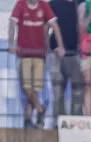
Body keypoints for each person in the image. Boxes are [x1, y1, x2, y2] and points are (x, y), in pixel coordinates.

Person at [9, 0, 64, 128]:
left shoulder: (44, 6)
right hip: (24, 54)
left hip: (39, 55)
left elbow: (54, 25)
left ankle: (28, 118)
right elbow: (12, 23)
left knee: (36, 88)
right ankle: (40, 109)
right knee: (27, 87)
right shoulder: (20, 4)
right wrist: (11, 44)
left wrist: (60, 46)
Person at [48, 0, 83, 118]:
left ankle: (76, 121)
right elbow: (45, 27)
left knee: (78, 91)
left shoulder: (81, 4)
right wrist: (47, 49)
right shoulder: (54, 4)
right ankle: (58, 123)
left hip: (76, 54)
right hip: (56, 54)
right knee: (58, 91)